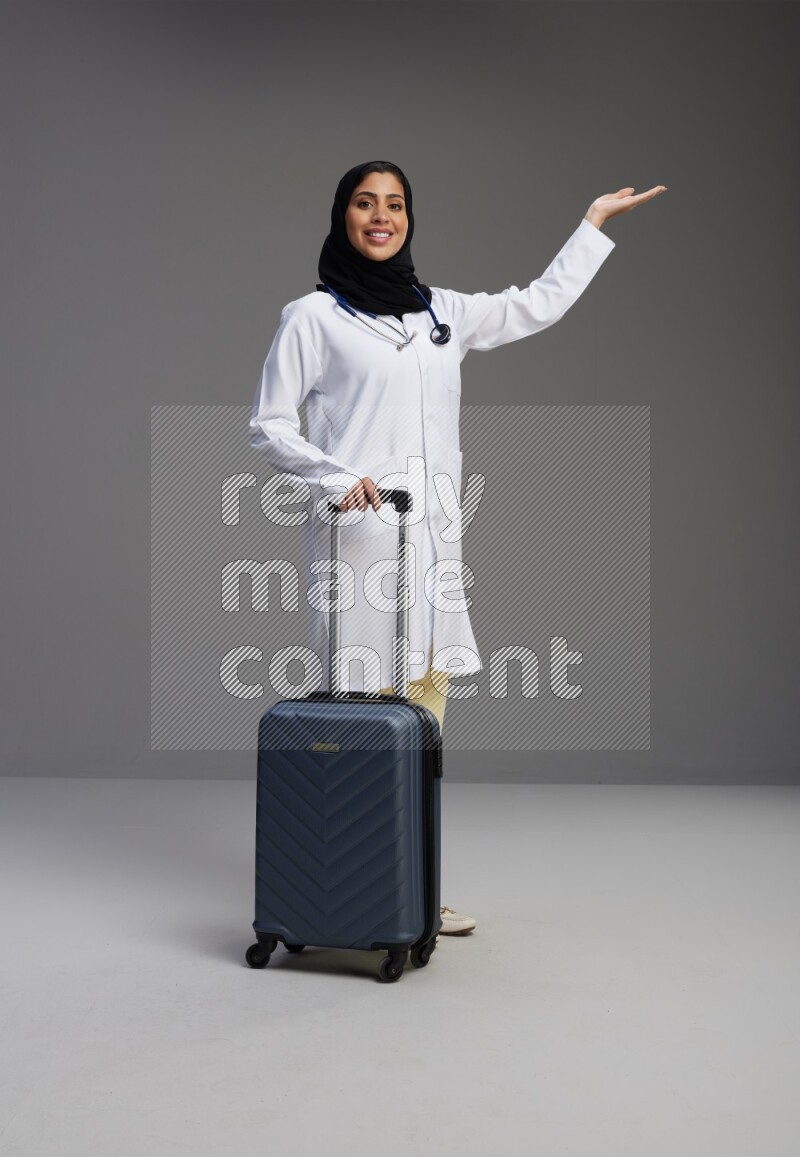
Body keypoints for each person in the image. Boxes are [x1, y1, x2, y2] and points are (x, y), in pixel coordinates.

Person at [249, 161, 666, 936]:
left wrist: (592, 225)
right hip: (361, 542)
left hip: (433, 542)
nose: (382, 217)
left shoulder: (439, 312)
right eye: (366, 204)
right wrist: (335, 476)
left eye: (396, 205)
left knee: (426, 717)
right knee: (362, 716)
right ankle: (352, 889)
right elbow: (270, 425)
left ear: (410, 218)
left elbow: (534, 306)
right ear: (343, 216)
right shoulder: (312, 316)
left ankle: (412, 885)